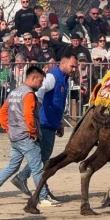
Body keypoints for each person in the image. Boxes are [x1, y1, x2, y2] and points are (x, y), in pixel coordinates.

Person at [11, 55, 78, 200]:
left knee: (41, 157)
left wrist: (59, 122)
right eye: (72, 66)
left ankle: (27, 180)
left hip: (51, 122)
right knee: (43, 157)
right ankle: (37, 188)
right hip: (44, 122)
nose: (74, 69)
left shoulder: (64, 79)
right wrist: (38, 107)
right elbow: (39, 91)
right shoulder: (52, 77)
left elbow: (58, 102)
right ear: (63, 63)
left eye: (75, 66)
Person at [0, 66, 62, 206]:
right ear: (33, 78)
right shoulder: (28, 94)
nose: (41, 85)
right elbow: (29, 115)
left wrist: (7, 128)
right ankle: (43, 197)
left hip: (15, 137)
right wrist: (33, 132)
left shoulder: (14, 92)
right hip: (26, 137)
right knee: (37, 167)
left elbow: (2, 112)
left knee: (12, 167)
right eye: (40, 81)